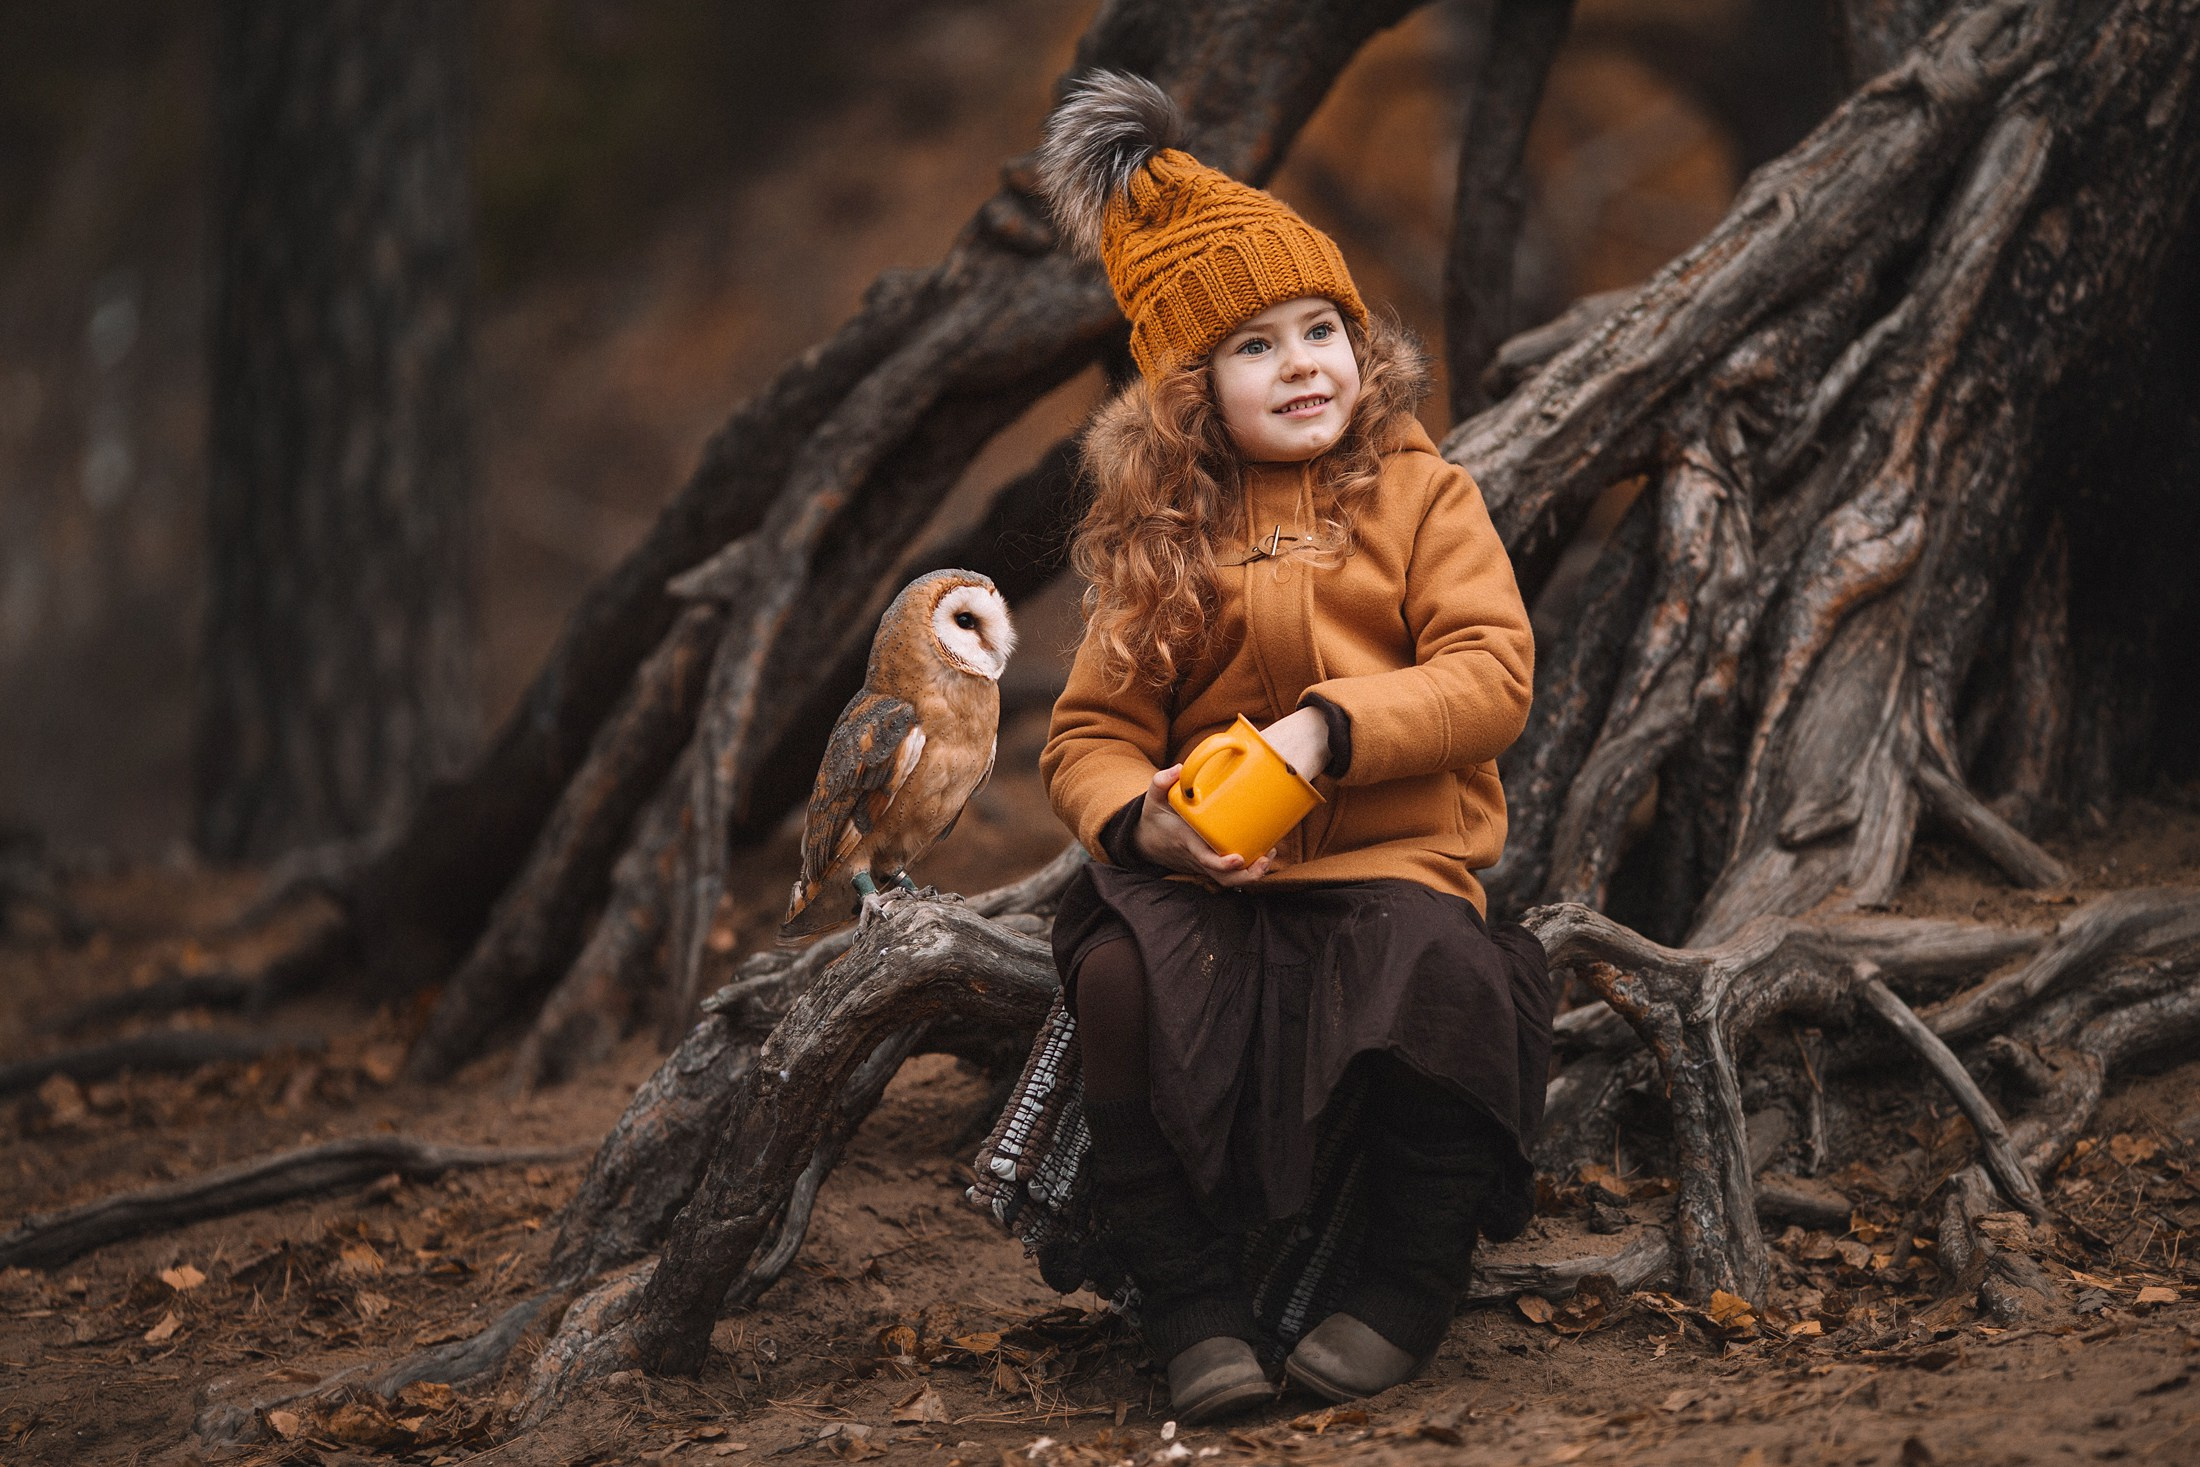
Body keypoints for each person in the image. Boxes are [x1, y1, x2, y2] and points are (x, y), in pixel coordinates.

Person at [1029, 72, 1554, 1423]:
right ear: (1188, 394)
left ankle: (1403, 1281)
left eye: (1324, 326)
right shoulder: (1164, 540)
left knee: (1445, 977)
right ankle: (1188, 1301)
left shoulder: (1424, 493)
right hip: (1219, 880)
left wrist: (1334, 728)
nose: (1307, 362)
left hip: (1395, 864)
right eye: (1256, 347)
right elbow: (1089, 731)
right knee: (1122, 987)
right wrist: (1145, 823)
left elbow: (1493, 677)